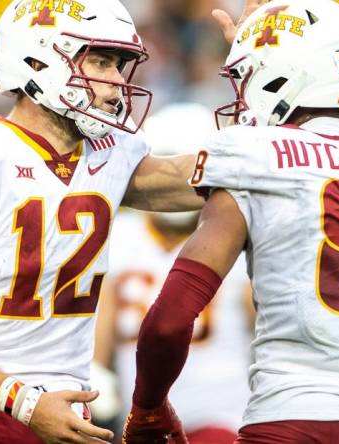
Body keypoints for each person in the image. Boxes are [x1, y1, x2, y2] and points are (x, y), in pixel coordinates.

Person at [0, 1, 262, 443]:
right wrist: (25, 403)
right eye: (102, 62)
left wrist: (260, 68)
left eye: (119, 65)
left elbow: (207, 176)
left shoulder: (111, 153)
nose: (115, 82)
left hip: (67, 408)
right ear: (38, 58)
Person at [123, 1, 339, 443]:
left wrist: (148, 408)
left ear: (283, 74)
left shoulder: (254, 157)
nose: (240, 94)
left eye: (248, 76)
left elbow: (169, 323)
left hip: (287, 419)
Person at [93, 103, 253, 444]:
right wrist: (96, 374)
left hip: (222, 416)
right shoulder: (120, 235)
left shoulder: (235, 235)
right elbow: (100, 328)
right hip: (140, 420)